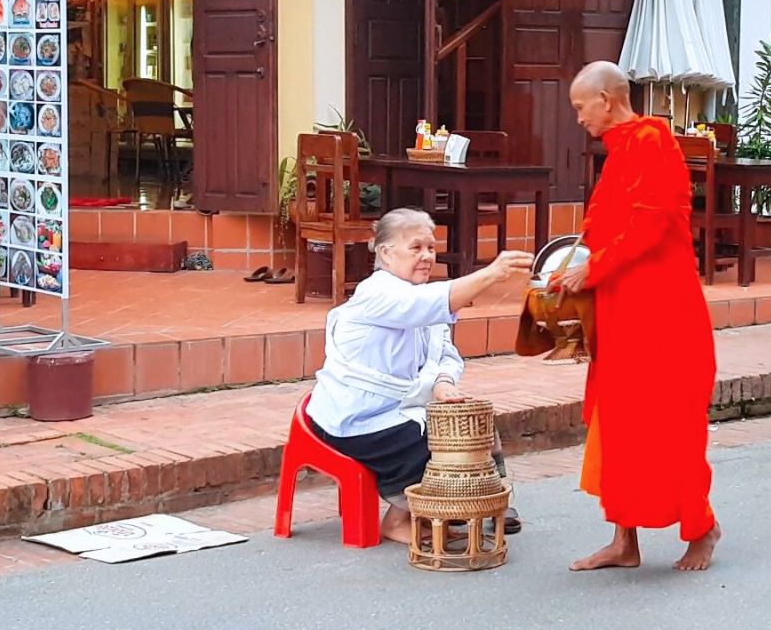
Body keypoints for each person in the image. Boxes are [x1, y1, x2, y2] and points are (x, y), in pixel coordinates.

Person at [551, 60, 720, 572]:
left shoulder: (652, 142)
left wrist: (593, 268)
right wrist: (572, 274)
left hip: (662, 309)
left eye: (582, 107)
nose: (579, 118)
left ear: (607, 98)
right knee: (619, 422)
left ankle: (702, 529)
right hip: (622, 305)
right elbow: (606, 225)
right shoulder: (621, 149)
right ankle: (624, 541)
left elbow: (650, 227)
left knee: (671, 422)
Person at [306, 208, 533, 544]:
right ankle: (400, 518)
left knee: (471, 424)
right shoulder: (377, 292)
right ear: (385, 252)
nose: (427, 256)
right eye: (416, 248)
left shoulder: (421, 295)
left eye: (431, 248)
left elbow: (445, 354)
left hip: (398, 408)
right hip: (354, 417)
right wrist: (492, 273)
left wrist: (443, 383)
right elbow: (429, 304)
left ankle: (490, 500)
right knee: (436, 440)